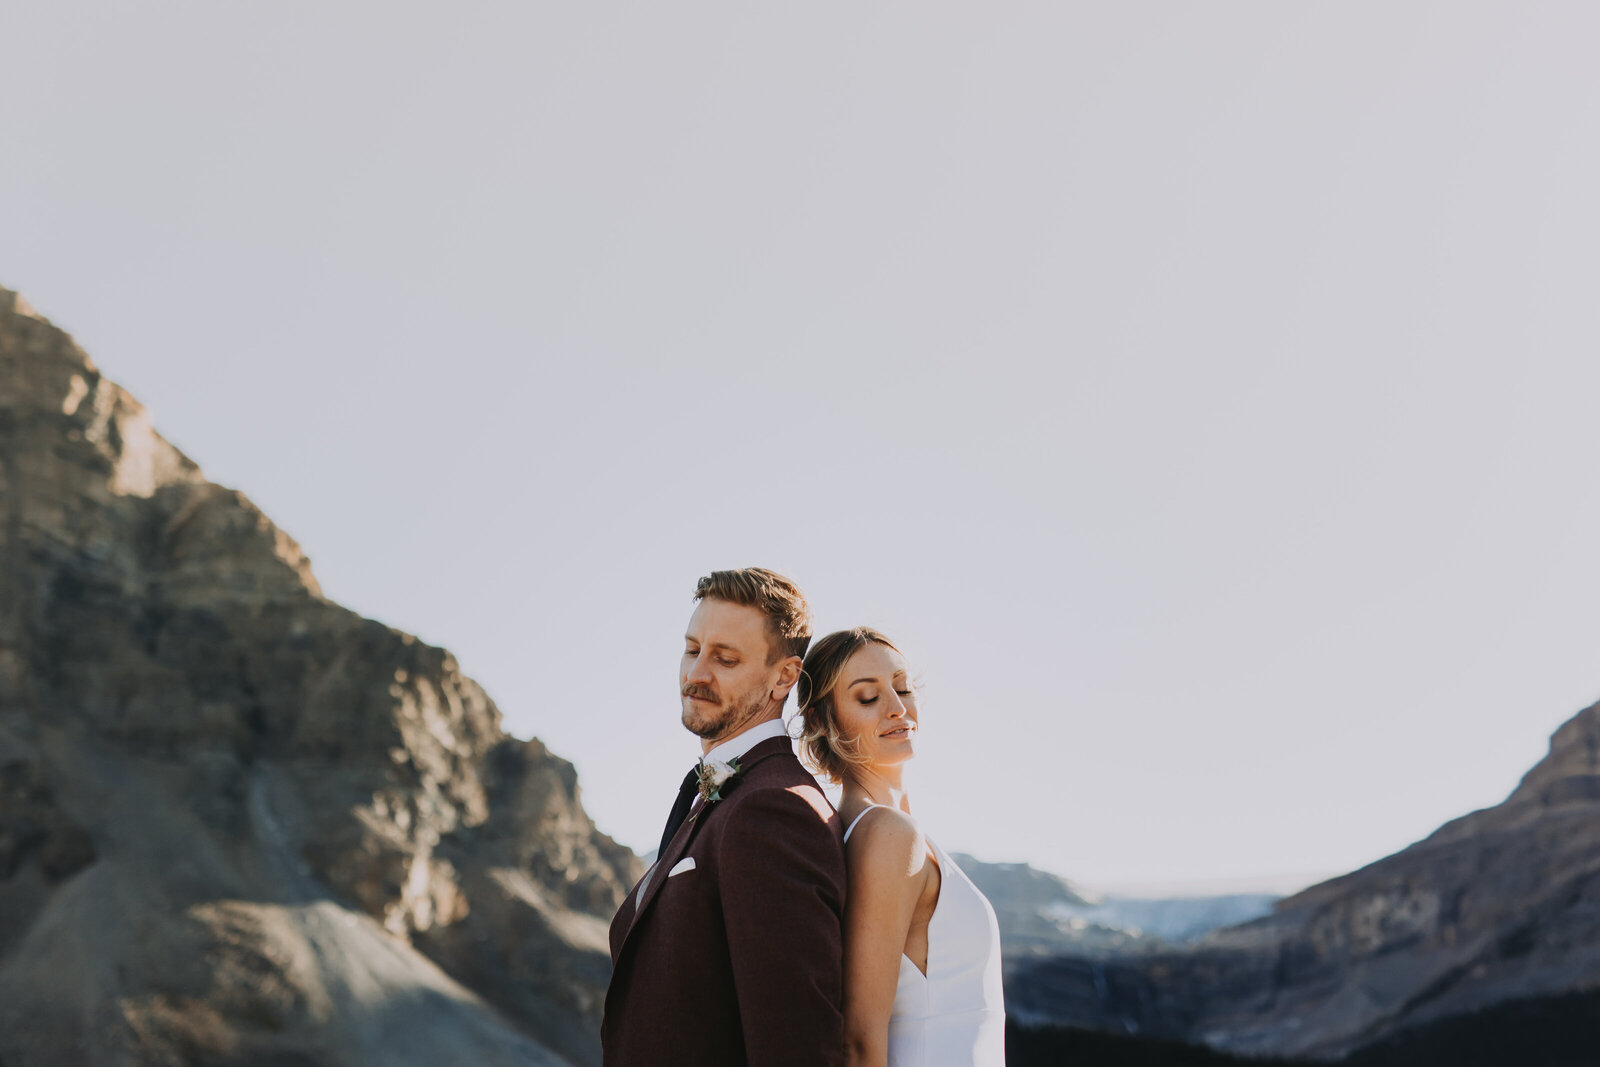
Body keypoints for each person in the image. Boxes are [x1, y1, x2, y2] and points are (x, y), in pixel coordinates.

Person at [603, 567, 847, 1067]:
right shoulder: (718, 793)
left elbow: (797, 1046)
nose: (696, 674)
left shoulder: (775, 809)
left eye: (725, 659)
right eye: (692, 650)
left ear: (784, 677)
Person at [797, 627, 1006, 1067]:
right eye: (868, 698)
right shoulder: (889, 836)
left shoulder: (882, 831)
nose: (897, 708)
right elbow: (857, 1040)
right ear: (820, 721)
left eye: (903, 687)